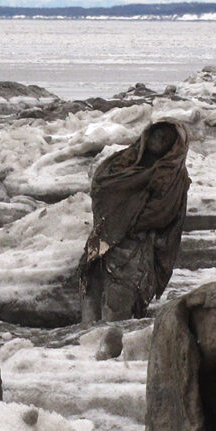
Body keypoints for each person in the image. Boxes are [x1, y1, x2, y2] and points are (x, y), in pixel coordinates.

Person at [80, 121, 190, 322]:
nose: (159, 140)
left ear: (175, 146)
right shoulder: (123, 161)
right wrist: (118, 215)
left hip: (136, 247)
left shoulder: (172, 176)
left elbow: (161, 213)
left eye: (166, 138)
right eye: (156, 134)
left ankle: (113, 348)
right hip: (103, 239)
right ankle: (85, 344)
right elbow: (102, 186)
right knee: (92, 294)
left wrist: (127, 220)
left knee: (119, 305)